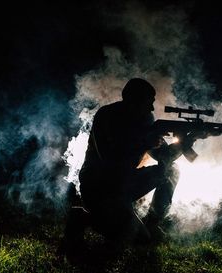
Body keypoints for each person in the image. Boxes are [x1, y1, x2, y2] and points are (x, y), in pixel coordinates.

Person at [64, 78, 208, 250]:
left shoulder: (145, 120)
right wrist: (144, 142)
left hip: (124, 185)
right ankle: (83, 216)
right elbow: (109, 159)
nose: (152, 108)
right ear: (133, 101)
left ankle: (151, 223)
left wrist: (187, 141)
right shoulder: (108, 116)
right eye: (149, 103)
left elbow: (164, 156)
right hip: (99, 187)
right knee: (131, 237)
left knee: (170, 170)